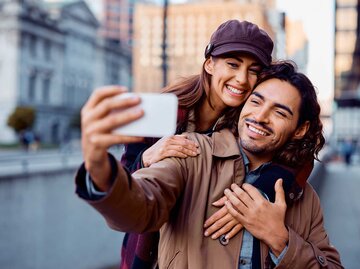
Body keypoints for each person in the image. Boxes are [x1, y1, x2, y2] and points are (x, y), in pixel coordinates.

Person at [76, 61, 343, 268]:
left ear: (300, 129)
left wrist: (280, 239)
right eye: (256, 101)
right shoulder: (191, 152)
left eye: (279, 112)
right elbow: (140, 206)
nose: (260, 117)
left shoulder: (305, 199)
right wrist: (99, 166)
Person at [119, 19, 274, 268]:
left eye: (254, 70)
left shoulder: (253, 118)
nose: (242, 79)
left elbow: (297, 157)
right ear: (210, 63)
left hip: (211, 253)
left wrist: (253, 198)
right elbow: (123, 187)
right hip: (149, 248)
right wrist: (147, 158)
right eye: (232, 65)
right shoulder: (163, 108)